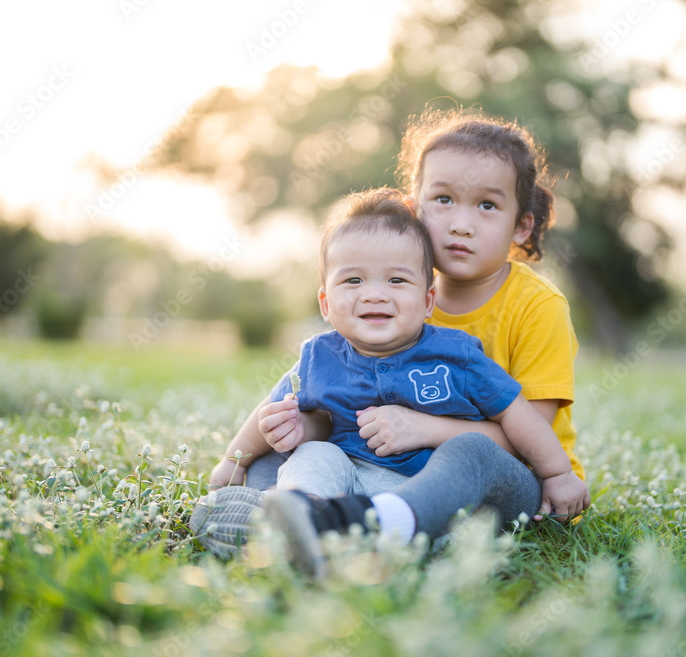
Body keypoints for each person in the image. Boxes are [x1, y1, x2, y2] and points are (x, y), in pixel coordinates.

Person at [194, 108, 590, 574]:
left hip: (512, 478)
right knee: (292, 450)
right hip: (377, 468)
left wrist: (424, 428)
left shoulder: (536, 306)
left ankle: (384, 525)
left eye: (486, 205)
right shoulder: (389, 299)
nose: (461, 224)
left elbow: (527, 437)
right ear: (414, 209)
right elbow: (335, 402)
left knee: (469, 454)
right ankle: (296, 522)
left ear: (521, 226)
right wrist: (294, 432)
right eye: (443, 199)